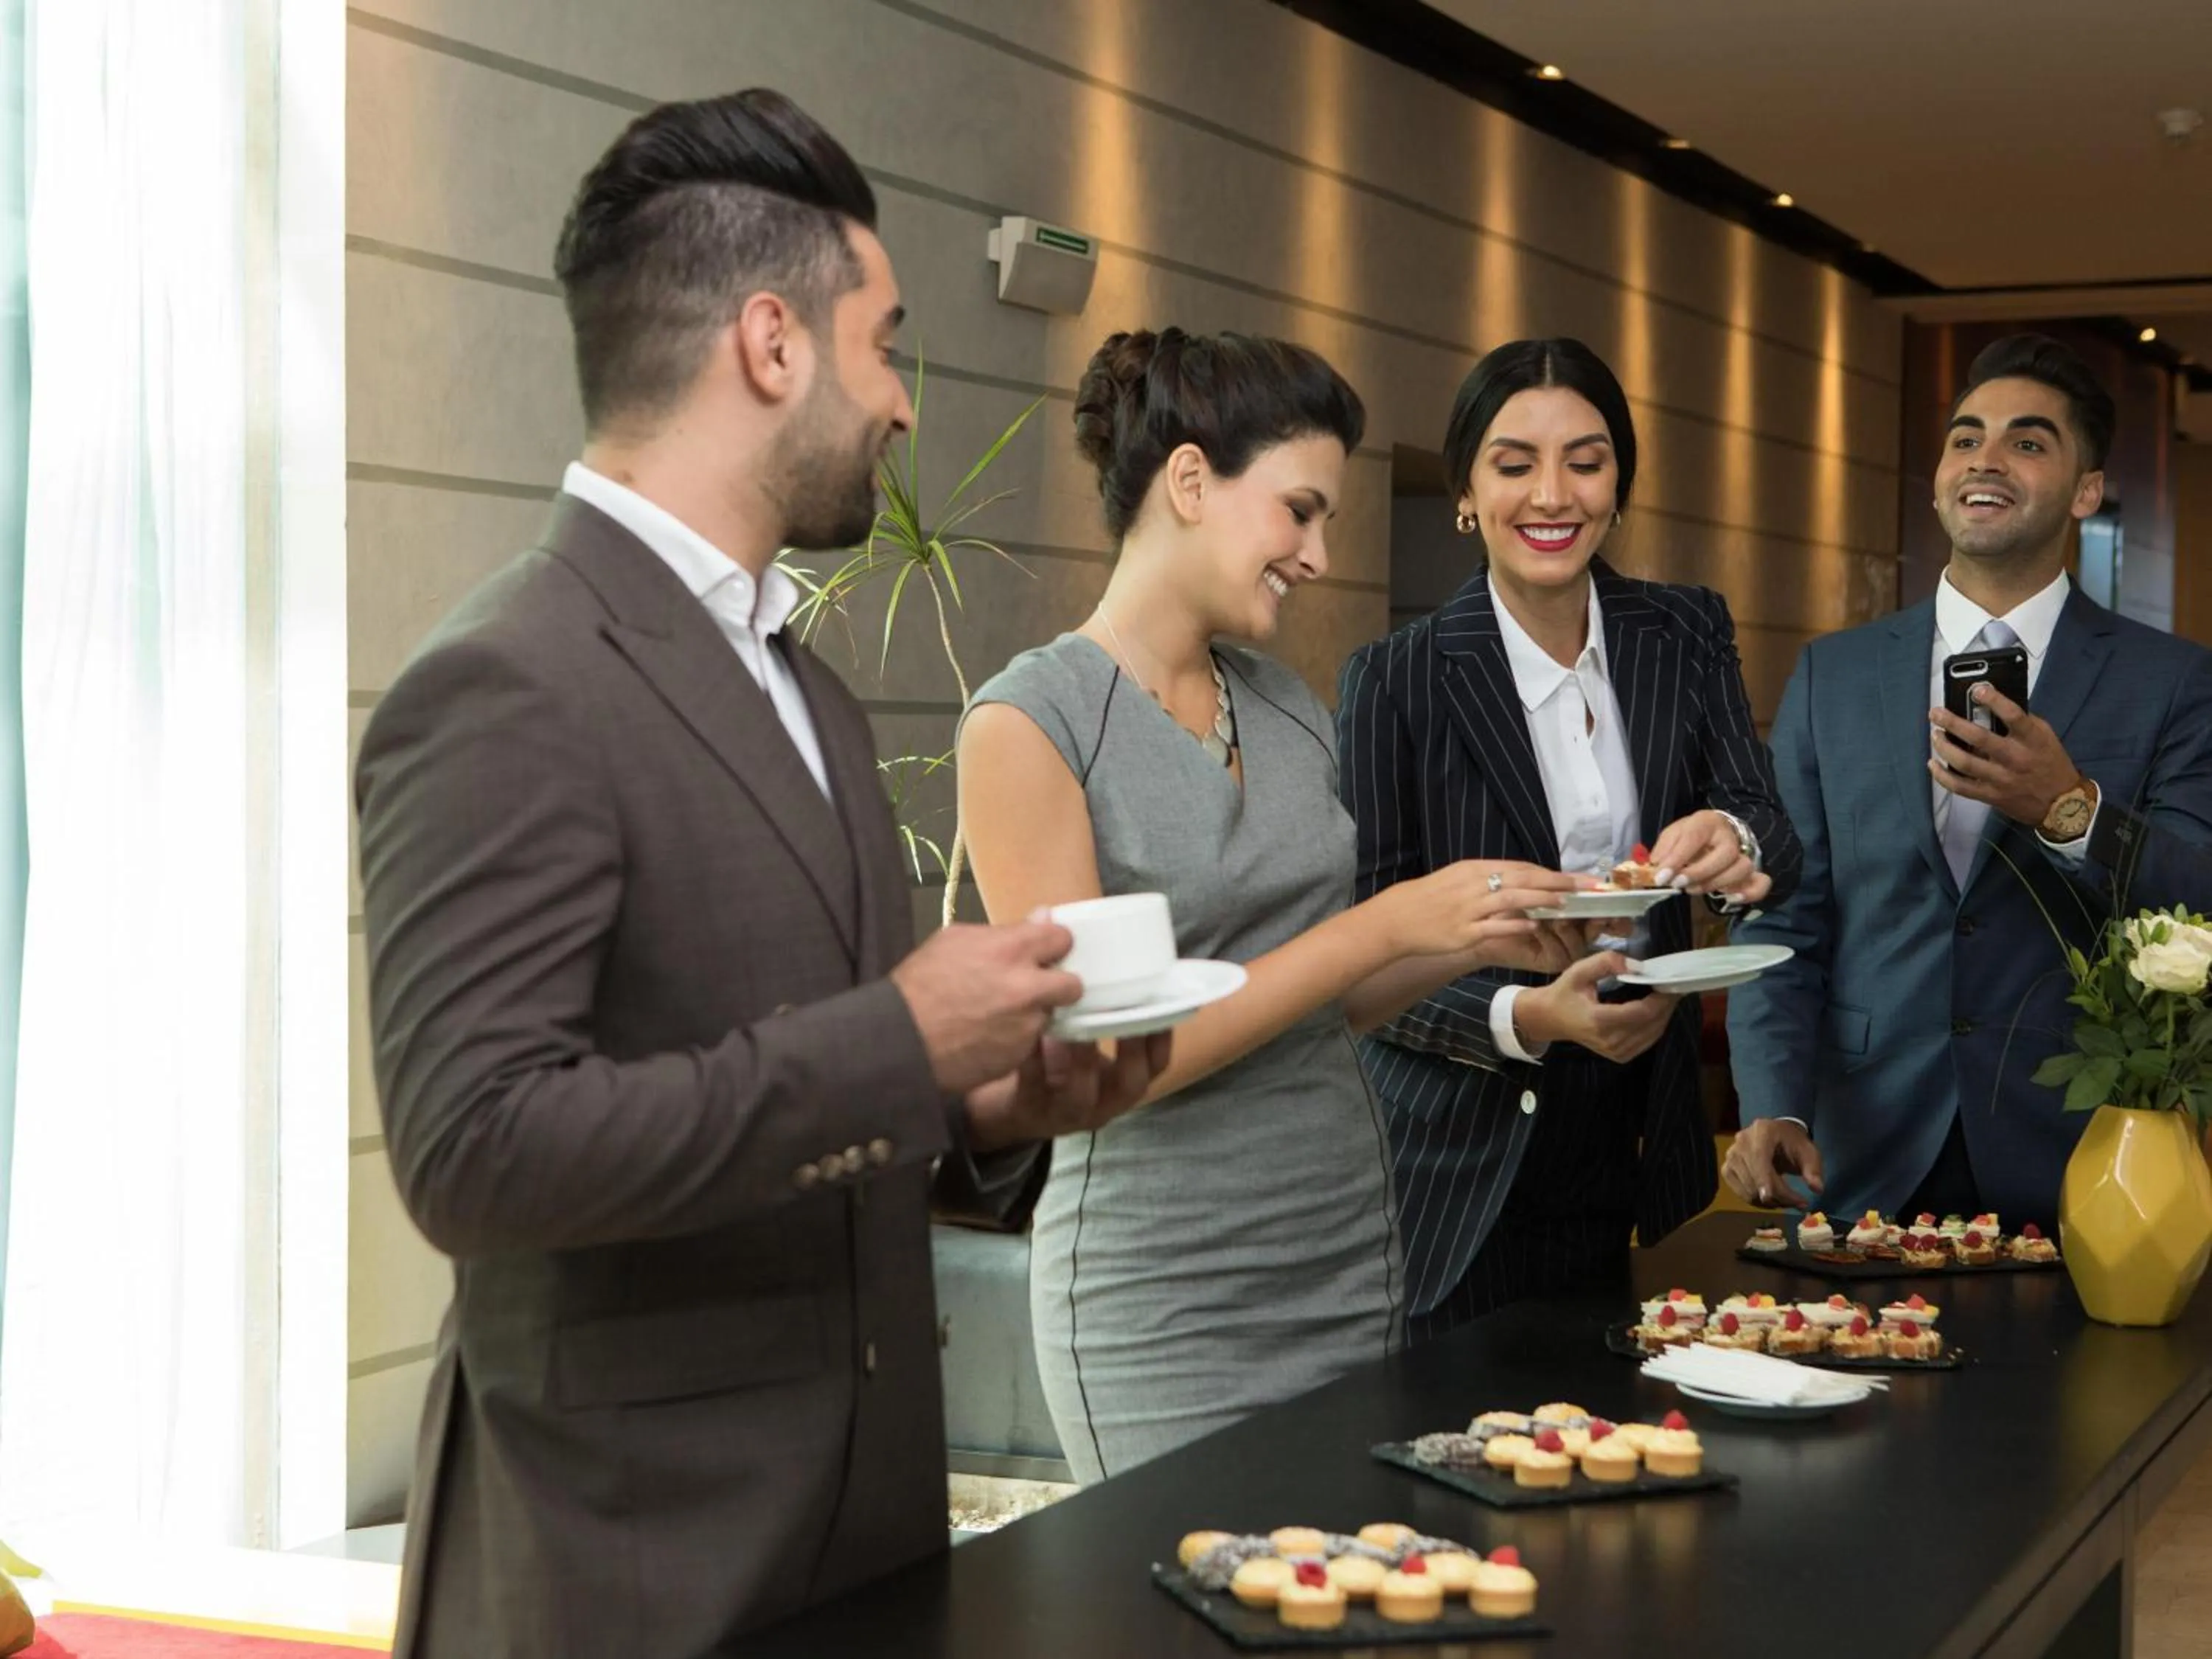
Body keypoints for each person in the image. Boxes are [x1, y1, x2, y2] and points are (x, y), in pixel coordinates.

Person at [354, 90, 1169, 1659]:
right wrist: (904, 1045)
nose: (904, 406)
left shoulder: (812, 692)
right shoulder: (507, 678)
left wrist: (992, 1107)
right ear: (773, 344)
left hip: (858, 1550)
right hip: (628, 1575)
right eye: (886, 345)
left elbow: (817, 1090)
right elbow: (476, 1154)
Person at [956, 327, 1588, 1482]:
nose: (1318, 554)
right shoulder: (1030, 723)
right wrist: (1384, 923)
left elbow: (1324, 1004)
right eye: (1299, 511)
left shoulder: (1290, 708)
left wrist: (1477, 937)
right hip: (1163, 1297)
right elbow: (1107, 1063)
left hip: (1348, 1260)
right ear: (1191, 481)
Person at [1336, 338, 1801, 1342]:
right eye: (1514, 464)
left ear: (1618, 485)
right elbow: (1365, 945)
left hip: (1639, 1142)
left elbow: (1769, 826)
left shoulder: (1685, 632)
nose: (1552, 495)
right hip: (1460, 1166)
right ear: (1466, 491)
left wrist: (1733, 836)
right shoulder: (1396, 679)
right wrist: (1530, 1016)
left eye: (1585, 463)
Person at [1726, 333, 2212, 1228]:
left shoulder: (2172, 680)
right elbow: (1786, 914)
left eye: (2027, 442)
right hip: (1860, 1157)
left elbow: (2199, 896)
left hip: (2079, 1154)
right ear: (1940, 478)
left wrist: (2068, 811)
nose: (1986, 459)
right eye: (1965, 438)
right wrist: (1774, 1104)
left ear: (2087, 491)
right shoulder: (1835, 674)